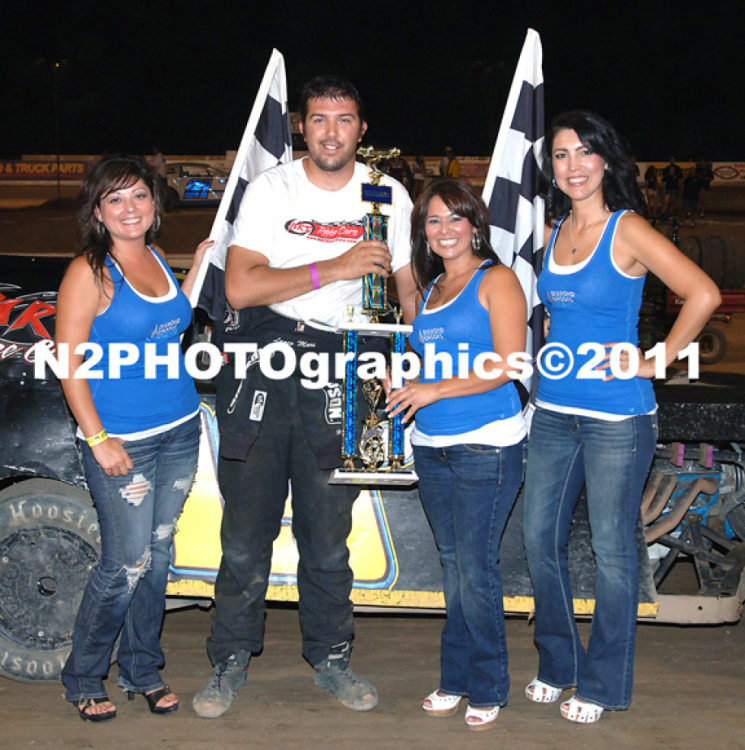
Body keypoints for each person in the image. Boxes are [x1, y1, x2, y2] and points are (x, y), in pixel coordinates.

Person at [192, 76, 417, 719]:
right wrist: (336, 267)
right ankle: (229, 660)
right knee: (245, 534)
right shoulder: (273, 189)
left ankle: (332, 658)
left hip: (346, 367)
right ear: (301, 127)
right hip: (263, 359)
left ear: (361, 130)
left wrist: (418, 351)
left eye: (343, 120)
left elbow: (404, 282)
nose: (330, 132)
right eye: (319, 119)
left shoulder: (386, 193)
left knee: (328, 535)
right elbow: (240, 288)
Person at [522, 111, 721, 724]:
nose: (574, 166)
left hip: (616, 417)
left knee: (613, 551)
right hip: (553, 412)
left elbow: (704, 293)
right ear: (552, 169)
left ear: (606, 160)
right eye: (561, 155)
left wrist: (655, 361)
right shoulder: (555, 229)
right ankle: (559, 664)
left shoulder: (626, 228)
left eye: (585, 152)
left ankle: (605, 684)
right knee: (539, 539)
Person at [56, 155, 212, 722]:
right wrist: (98, 438)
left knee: (158, 554)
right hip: (124, 440)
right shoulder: (90, 272)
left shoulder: (156, 258)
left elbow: (168, 321)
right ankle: (83, 676)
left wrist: (197, 268)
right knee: (124, 563)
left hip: (180, 428)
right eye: (115, 199)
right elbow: (68, 363)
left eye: (139, 196)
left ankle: (142, 669)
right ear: (97, 212)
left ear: (155, 203)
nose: (129, 208)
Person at [386, 178, 526, 731]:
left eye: (455, 218)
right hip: (432, 446)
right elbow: (433, 360)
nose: (445, 230)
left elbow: (509, 364)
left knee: (475, 567)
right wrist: (407, 382)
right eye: (433, 221)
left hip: (486, 444)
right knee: (453, 565)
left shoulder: (497, 279)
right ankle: (456, 677)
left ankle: (488, 684)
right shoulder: (431, 290)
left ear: (475, 225)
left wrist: (434, 389)